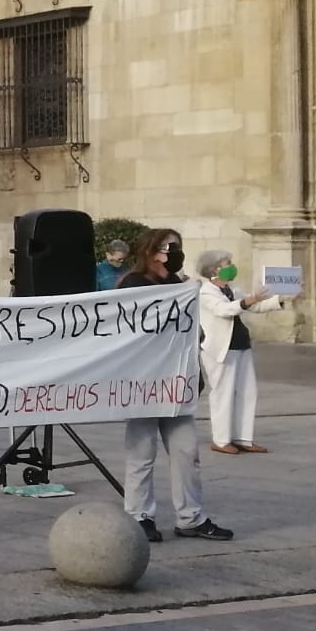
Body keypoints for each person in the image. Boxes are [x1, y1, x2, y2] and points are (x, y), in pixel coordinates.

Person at [116, 229, 232, 542]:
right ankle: (139, 516)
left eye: (177, 247)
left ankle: (191, 517)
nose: (173, 253)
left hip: (175, 384)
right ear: (151, 251)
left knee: (186, 451)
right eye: (169, 247)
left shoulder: (178, 286)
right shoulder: (133, 284)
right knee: (142, 452)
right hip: (144, 382)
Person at [193, 249, 281, 456]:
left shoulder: (232, 288)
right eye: (227, 263)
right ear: (215, 269)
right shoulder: (206, 292)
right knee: (223, 393)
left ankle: (243, 437)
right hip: (220, 348)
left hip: (241, 344)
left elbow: (255, 306)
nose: (232, 266)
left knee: (247, 391)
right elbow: (224, 310)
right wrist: (247, 302)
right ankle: (222, 440)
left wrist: (280, 300)